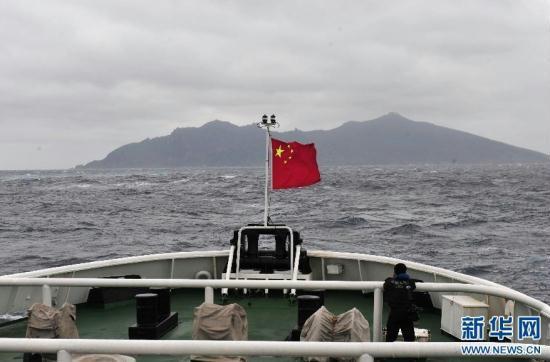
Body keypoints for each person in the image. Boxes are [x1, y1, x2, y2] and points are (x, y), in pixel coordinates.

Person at [384, 263, 417, 342]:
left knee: (390, 339)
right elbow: (413, 285)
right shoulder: (410, 282)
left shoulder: (389, 283)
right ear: (405, 272)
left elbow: (386, 284)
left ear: (395, 272)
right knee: (409, 340)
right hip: (407, 314)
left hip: (395, 314)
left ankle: (388, 353)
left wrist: (393, 278)